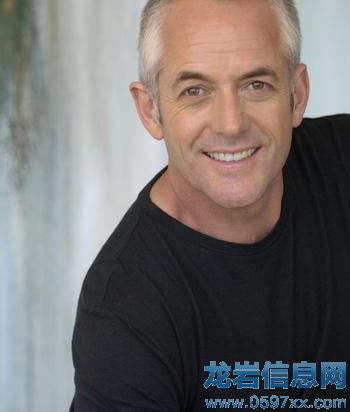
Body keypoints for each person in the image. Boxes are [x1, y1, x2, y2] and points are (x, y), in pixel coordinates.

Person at [70, 0, 350, 410]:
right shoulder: (124, 313)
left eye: (256, 85)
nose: (231, 124)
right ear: (150, 110)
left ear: (298, 94)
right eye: (195, 91)